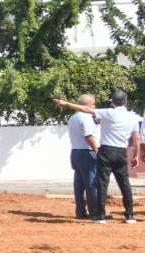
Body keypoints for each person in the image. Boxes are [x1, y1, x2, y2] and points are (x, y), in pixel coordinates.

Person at [56, 91, 139, 224]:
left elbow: (84, 109)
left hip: (102, 150)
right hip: (120, 152)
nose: (93, 106)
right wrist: (135, 155)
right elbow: (136, 137)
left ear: (112, 102)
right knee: (124, 184)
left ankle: (99, 216)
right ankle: (129, 215)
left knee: (100, 183)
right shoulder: (133, 117)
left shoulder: (107, 113)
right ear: (126, 101)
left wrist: (66, 104)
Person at [65, 94, 100, 219]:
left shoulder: (73, 118)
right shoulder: (85, 117)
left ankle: (80, 211)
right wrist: (97, 150)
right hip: (87, 152)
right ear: (86, 106)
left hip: (75, 152)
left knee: (79, 184)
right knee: (91, 183)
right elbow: (88, 136)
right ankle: (95, 212)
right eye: (93, 104)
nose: (94, 107)